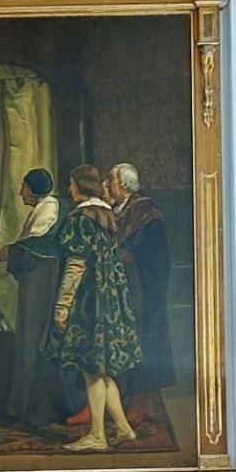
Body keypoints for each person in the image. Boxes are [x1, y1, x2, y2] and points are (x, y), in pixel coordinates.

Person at [42, 164, 141, 452]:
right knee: (103, 369)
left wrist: (62, 306)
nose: (69, 189)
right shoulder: (107, 215)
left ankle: (98, 435)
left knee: (92, 370)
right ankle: (123, 428)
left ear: (80, 185)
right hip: (109, 299)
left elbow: (75, 266)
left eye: (71, 184)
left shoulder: (80, 219)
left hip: (88, 301)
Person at [0, 167, 65, 426]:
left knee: (34, 337)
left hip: (41, 282)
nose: (20, 191)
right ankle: (24, 405)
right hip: (37, 280)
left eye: (23, 186)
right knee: (28, 337)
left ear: (33, 189)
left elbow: (36, 247)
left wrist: (6, 253)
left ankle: (35, 408)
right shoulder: (42, 209)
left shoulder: (49, 209)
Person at [109, 162, 174, 401]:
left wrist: (128, 256)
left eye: (112, 181)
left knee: (145, 334)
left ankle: (142, 392)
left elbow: (152, 252)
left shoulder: (145, 210)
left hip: (146, 284)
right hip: (129, 282)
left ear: (124, 184)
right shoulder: (122, 208)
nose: (109, 185)